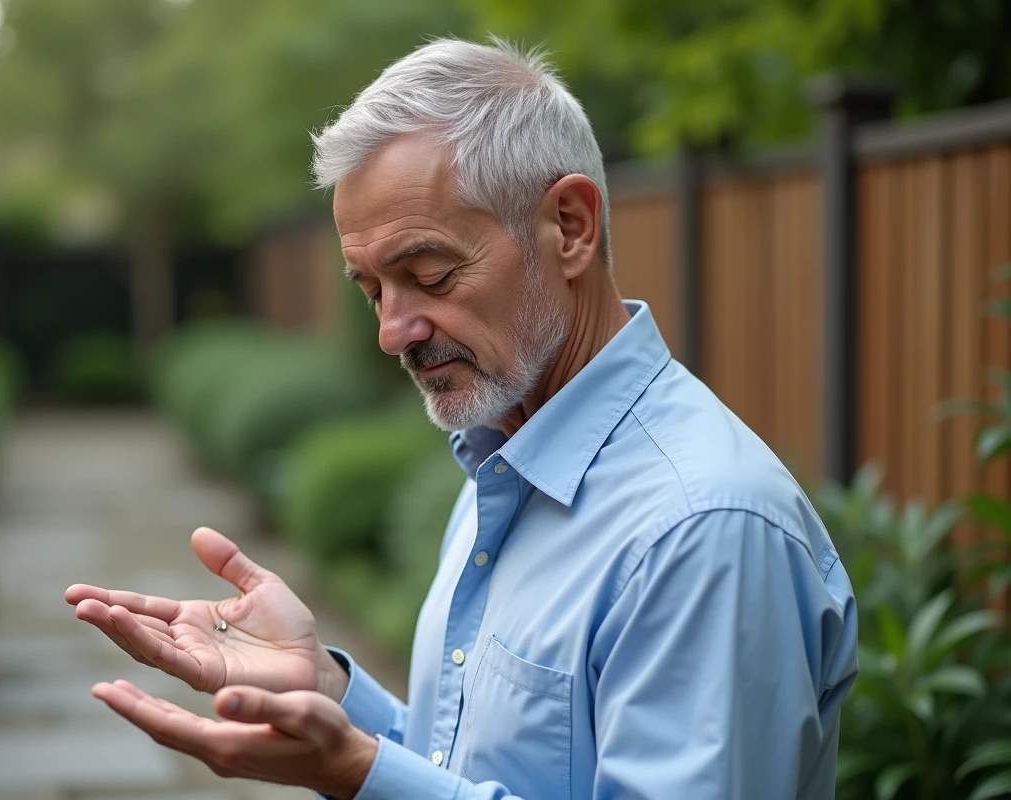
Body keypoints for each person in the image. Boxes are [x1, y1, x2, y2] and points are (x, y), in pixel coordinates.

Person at [64, 37, 858, 799]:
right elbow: (481, 769)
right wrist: (331, 691)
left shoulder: (701, 529)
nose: (391, 331)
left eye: (430, 274)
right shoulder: (500, 455)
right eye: (372, 290)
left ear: (570, 227)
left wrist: (361, 776)